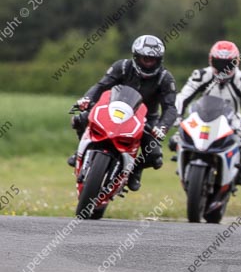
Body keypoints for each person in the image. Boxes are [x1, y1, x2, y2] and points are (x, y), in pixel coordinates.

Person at [68, 35, 177, 192]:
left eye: (153, 60)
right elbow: (101, 86)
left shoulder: (165, 78)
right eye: (145, 59)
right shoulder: (122, 66)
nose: (148, 63)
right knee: (80, 119)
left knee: (155, 156)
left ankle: (134, 171)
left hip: (146, 119)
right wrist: (87, 99)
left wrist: (162, 127)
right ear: (135, 56)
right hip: (114, 109)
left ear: (160, 60)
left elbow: (170, 107)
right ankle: (81, 150)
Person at [172, 41, 241, 186]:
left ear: (236, 62)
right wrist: (178, 117)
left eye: (228, 64)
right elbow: (182, 97)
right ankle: (184, 165)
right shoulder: (200, 75)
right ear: (211, 60)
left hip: (231, 121)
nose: (223, 69)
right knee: (175, 141)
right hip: (201, 118)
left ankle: (239, 169)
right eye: (219, 63)